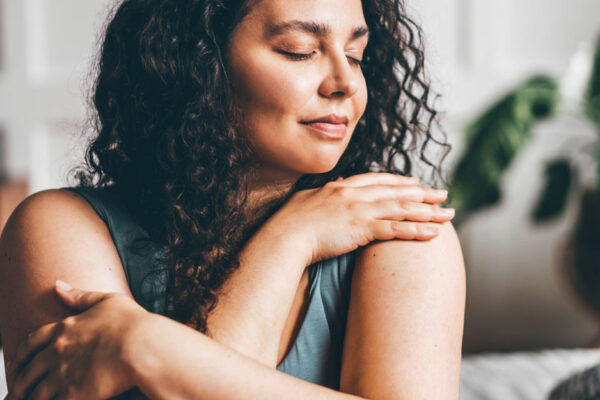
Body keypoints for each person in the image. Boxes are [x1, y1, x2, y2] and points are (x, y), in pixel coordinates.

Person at [0, 0, 466, 398]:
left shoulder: (401, 230)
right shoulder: (60, 227)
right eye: (299, 51)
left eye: (356, 54)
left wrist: (148, 347)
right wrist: (289, 241)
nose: (344, 82)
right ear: (197, 60)